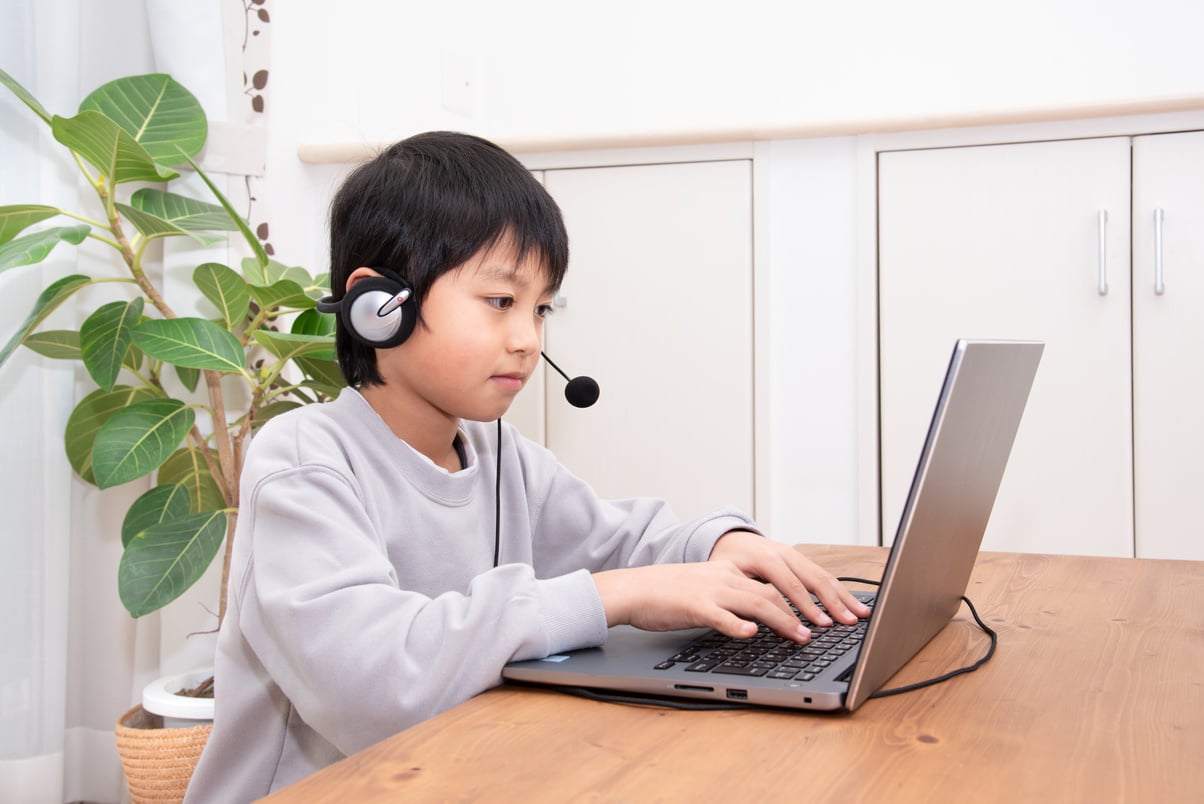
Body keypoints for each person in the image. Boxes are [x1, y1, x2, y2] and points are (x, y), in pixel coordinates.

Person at [184, 131, 870, 802]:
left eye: (541, 308)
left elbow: (621, 543)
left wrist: (723, 545)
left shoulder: (500, 456)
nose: (528, 339)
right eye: (500, 302)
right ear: (378, 307)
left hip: (458, 771)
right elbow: (373, 686)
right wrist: (614, 596)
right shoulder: (304, 462)